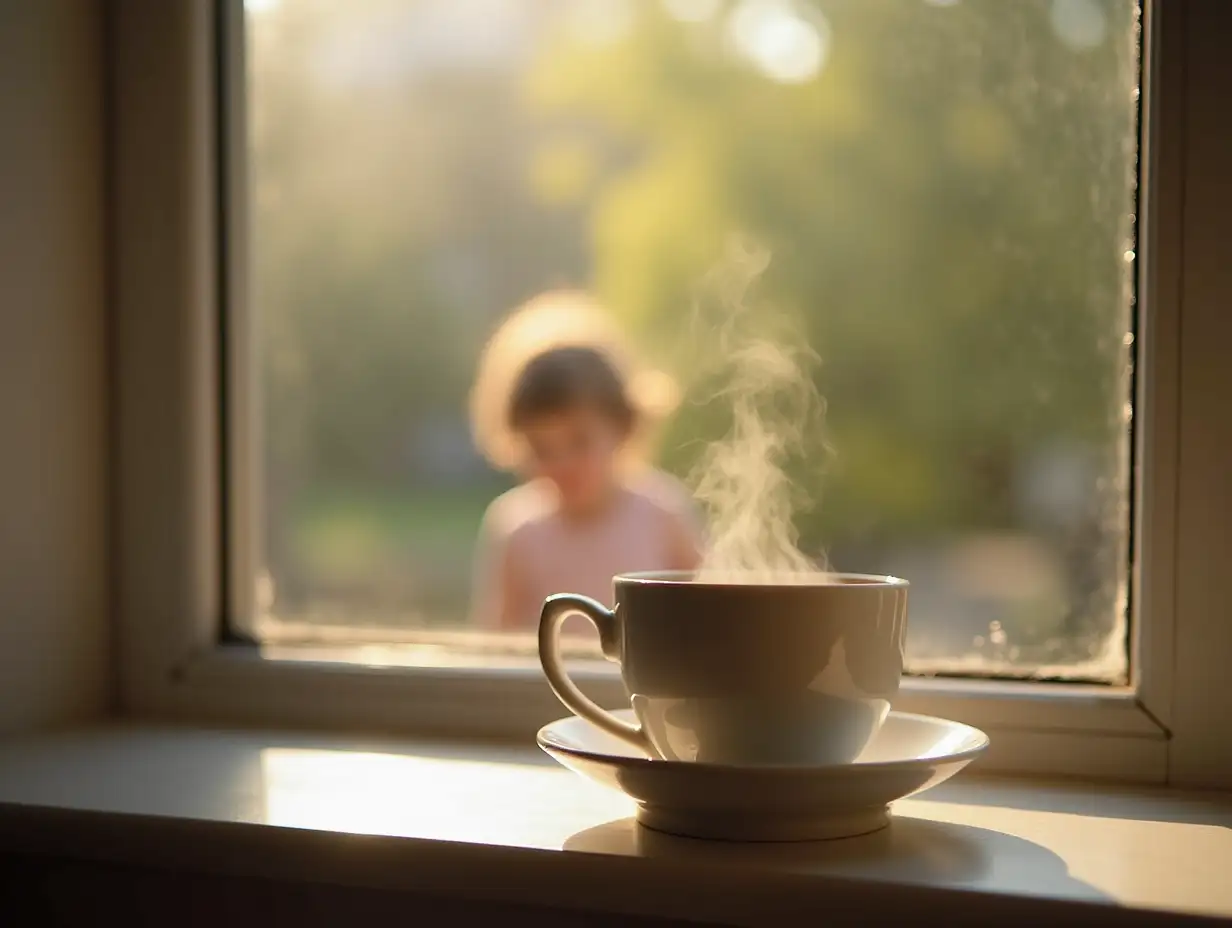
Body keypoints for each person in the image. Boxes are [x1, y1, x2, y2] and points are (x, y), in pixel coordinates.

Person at [468, 291, 703, 631]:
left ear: (623, 426)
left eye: (579, 441)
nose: (561, 463)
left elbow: (707, 619)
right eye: (541, 448)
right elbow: (495, 646)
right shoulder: (517, 531)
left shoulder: (662, 514)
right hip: (545, 686)